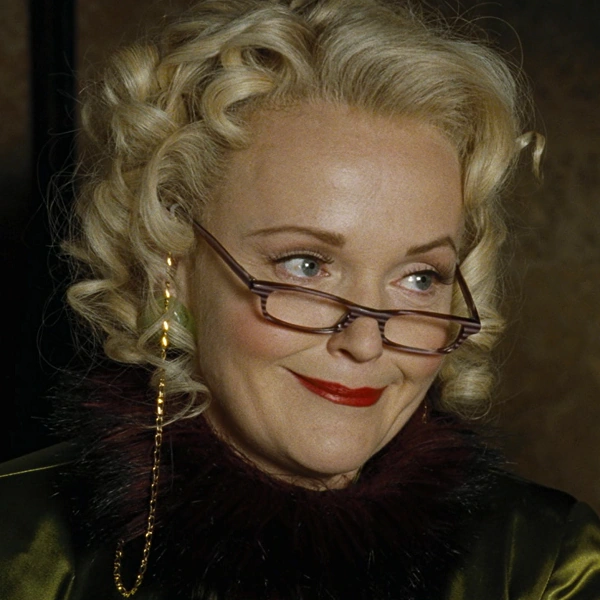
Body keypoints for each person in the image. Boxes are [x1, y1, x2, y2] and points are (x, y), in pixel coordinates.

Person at [1, 0, 599, 598]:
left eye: (421, 277)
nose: (365, 343)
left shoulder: (545, 566)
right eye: (306, 266)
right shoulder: (18, 549)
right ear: (171, 261)